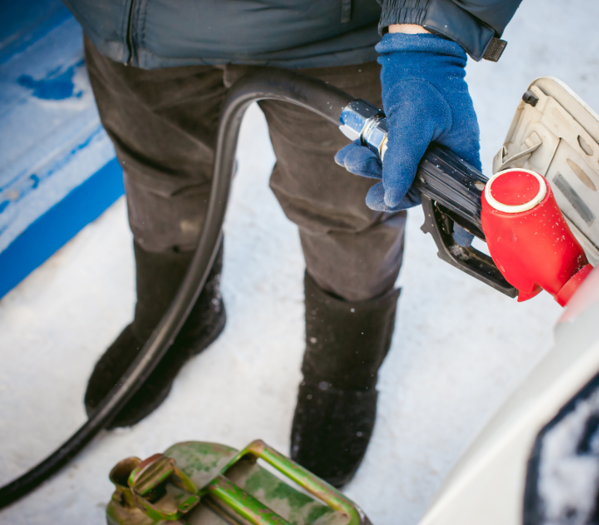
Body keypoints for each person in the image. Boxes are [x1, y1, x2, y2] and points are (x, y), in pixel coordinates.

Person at [64, 0, 522, 488]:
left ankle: (340, 371)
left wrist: (427, 30)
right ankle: (176, 320)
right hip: (133, 29)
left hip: (329, 31)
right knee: (161, 187)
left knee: (348, 212)